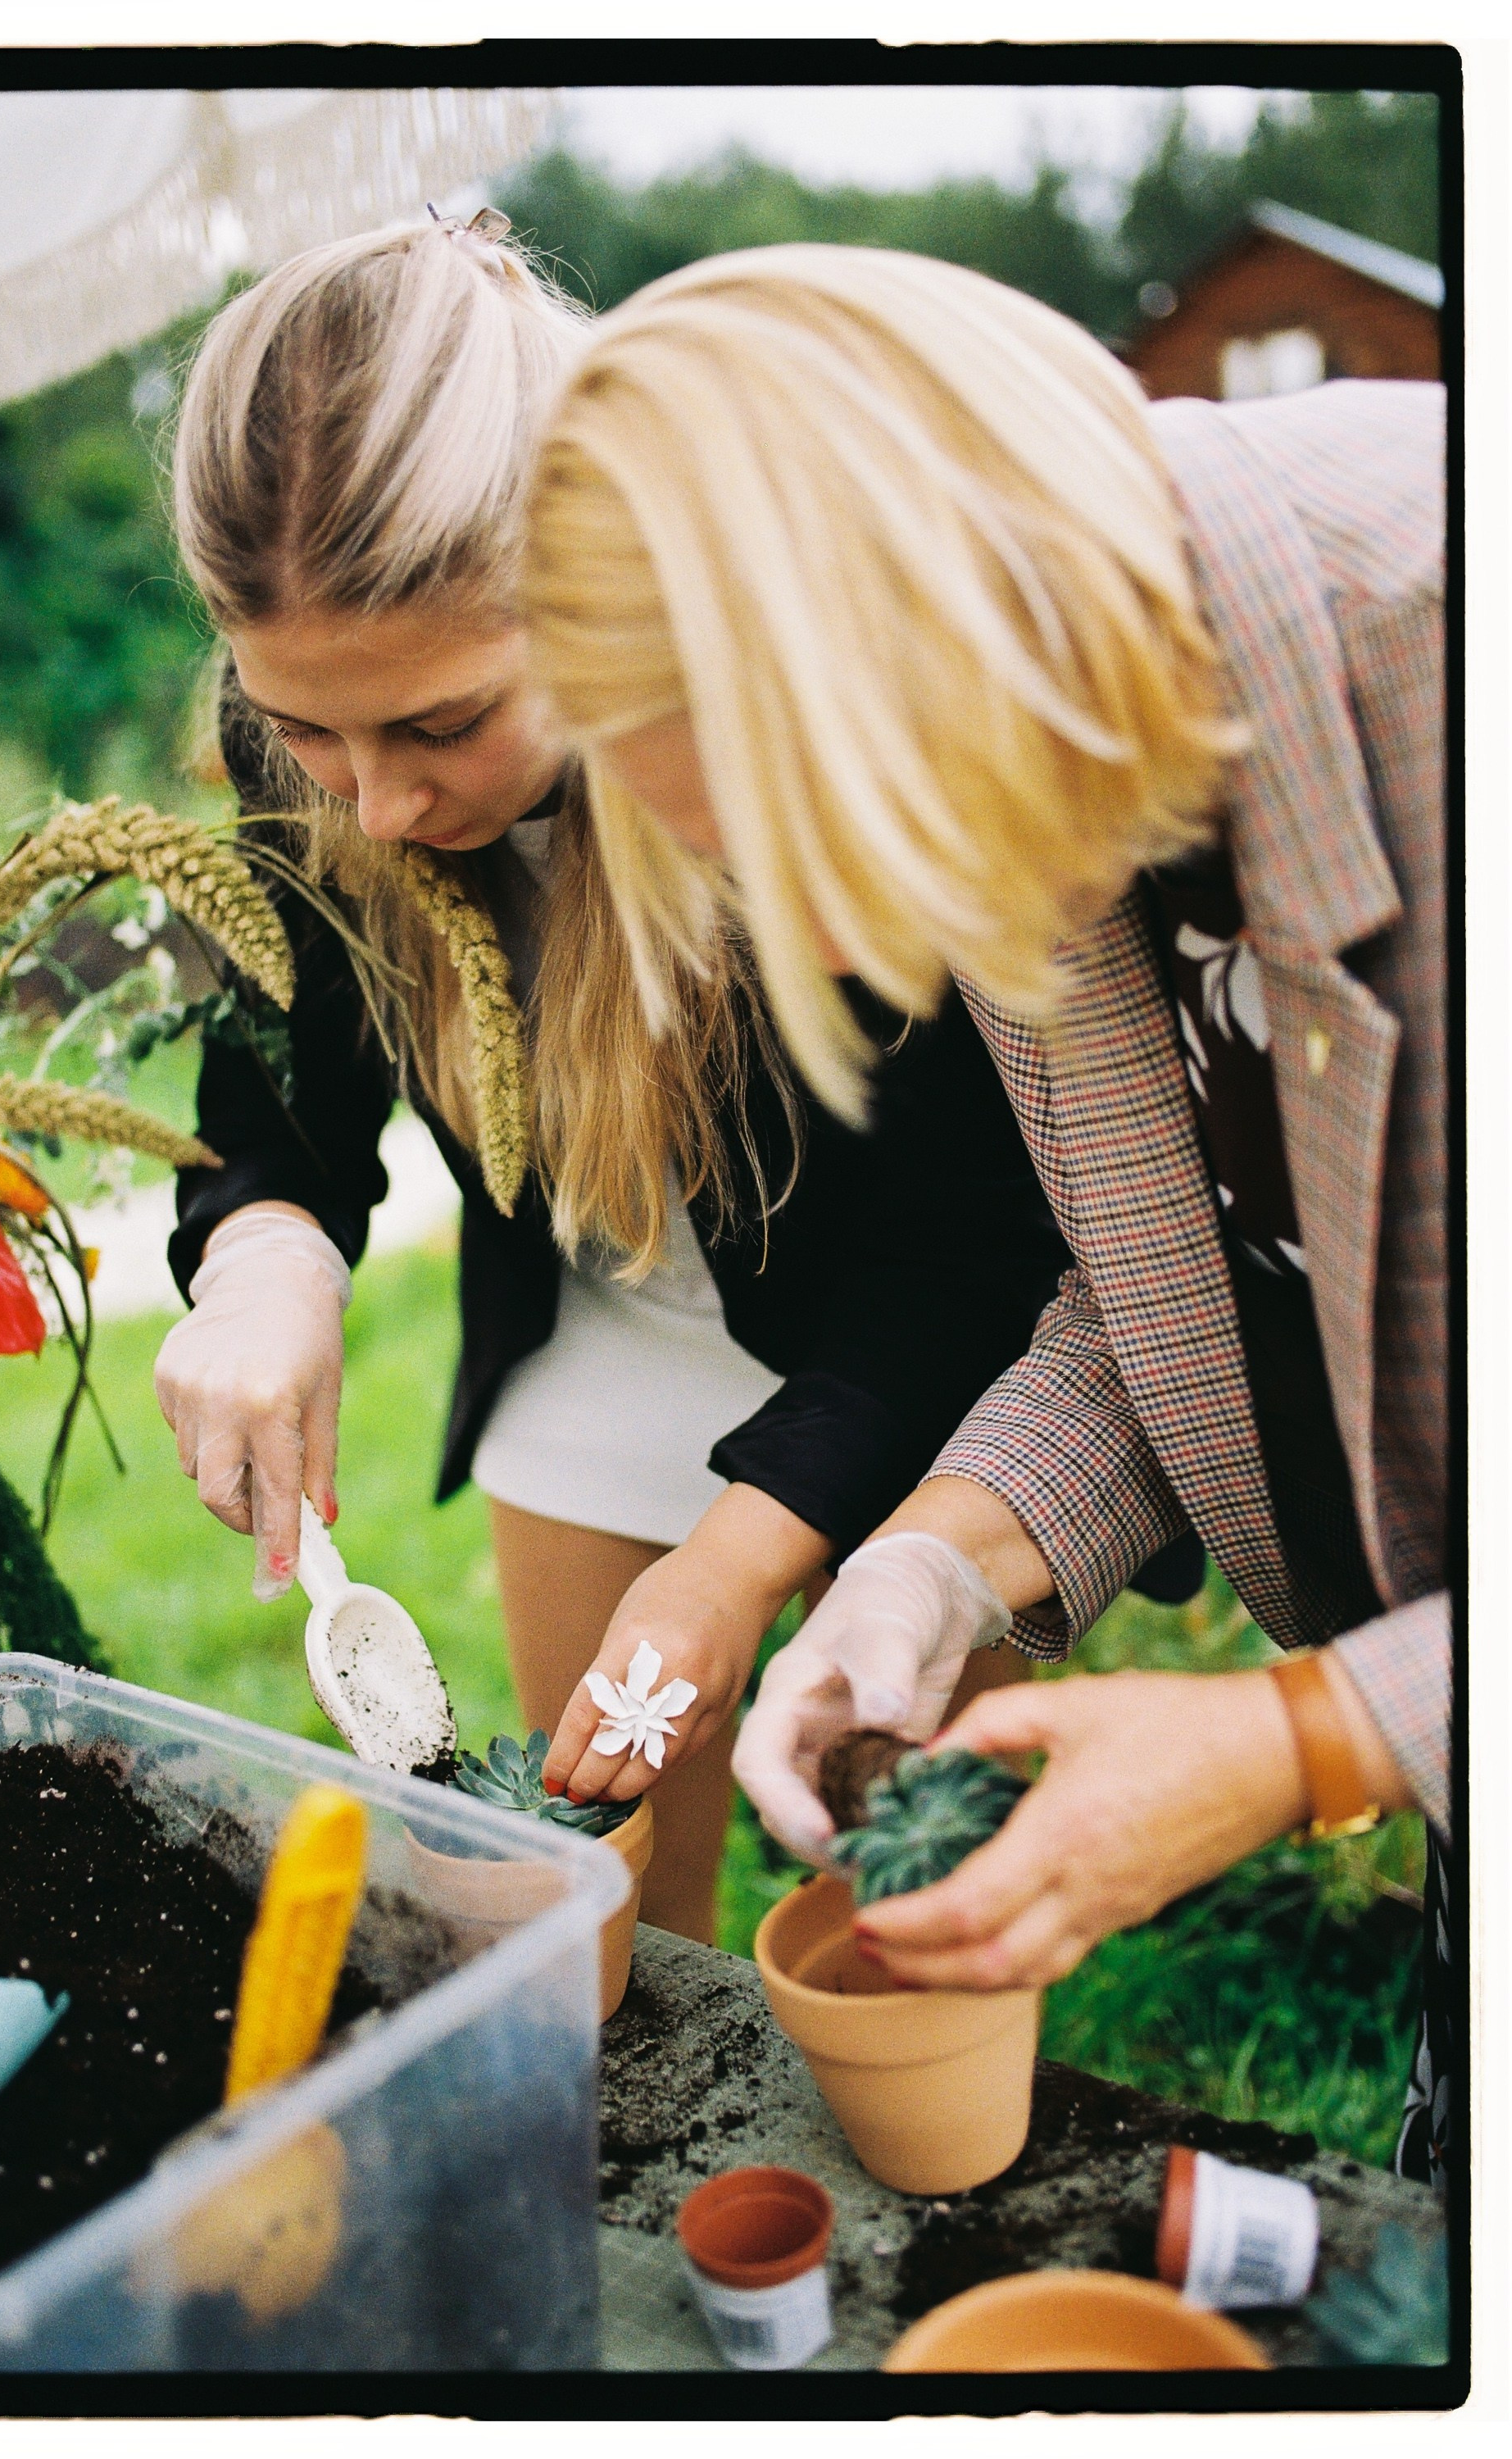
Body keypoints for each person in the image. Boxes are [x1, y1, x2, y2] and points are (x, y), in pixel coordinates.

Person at [521, 243, 1451, 2178]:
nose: (848, 950)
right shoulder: (1052, 771)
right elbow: (1181, 1276)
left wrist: (1299, 1745)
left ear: (936, 627)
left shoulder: (1449, 651)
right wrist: (944, 1557)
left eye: (815, 843)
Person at [153, 216, 1078, 1947]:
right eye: (311, 734)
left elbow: (969, 1258)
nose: (372, 806)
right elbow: (276, 1082)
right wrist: (269, 1258)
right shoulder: (325, 712)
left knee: (886, 1871)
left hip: (889, 1354)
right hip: (583, 1328)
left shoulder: (811, 737)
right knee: (609, 1891)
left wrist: (740, 1562)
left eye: (440, 728)